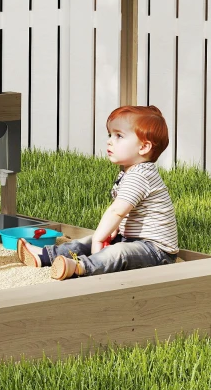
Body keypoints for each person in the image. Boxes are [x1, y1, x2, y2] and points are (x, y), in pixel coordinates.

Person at [17, 105, 178, 280]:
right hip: (131, 240)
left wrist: (99, 239)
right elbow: (127, 211)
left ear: (144, 147)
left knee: (117, 253)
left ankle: (80, 267)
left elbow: (117, 211)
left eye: (119, 136)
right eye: (110, 135)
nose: (109, 141)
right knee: (84, 242)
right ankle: (45, 256)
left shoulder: (141, 175)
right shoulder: (129, 172)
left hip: (156, 252)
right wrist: (109, 232)